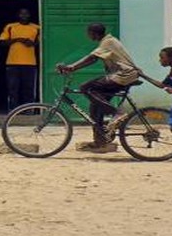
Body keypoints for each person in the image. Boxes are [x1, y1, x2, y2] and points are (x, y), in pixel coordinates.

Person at [58, 23, 139, 153]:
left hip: (123, 75)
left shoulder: (108, 42)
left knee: (86, 87)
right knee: (95, 107)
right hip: (118, 76)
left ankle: (117, 113)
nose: (88, 35)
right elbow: (93, 59)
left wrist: (72, 67)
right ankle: (100, 141)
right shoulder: (106, 41)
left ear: (93, 33)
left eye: (88, 33)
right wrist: (73, 67)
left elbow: (92, 58)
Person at [0, 9, 40, 110]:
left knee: (29, 89)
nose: (24, 15)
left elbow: (41, 42)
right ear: (18, 15)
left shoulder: (37, 28)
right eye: (22, 13)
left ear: (29, 15)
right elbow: (2, 42)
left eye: (26, 13)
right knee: (13, 89)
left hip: (30, 63)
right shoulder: (11, 26)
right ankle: (13, 110)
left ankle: (29, 110)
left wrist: (32, 43)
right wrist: (18, 39)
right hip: (12, 63)